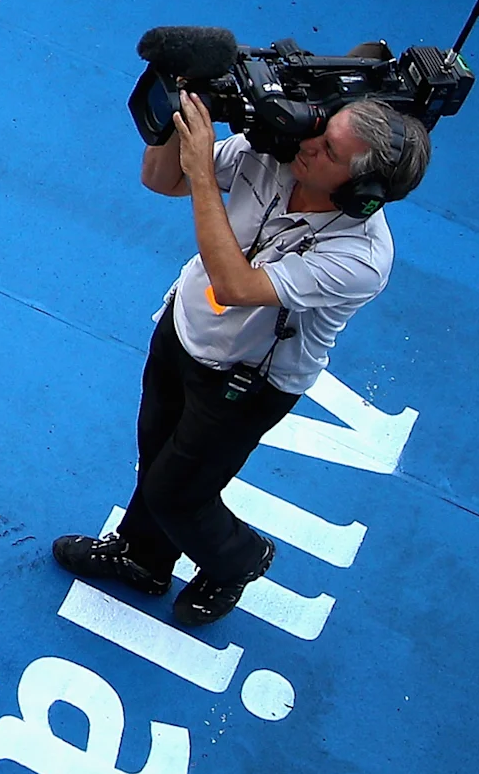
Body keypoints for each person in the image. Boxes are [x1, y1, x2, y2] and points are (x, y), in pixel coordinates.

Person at [58, 86, 427, 626]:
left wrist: (202, 172)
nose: (308, 145)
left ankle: (239, 560)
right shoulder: (273, 153)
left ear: (361, 192)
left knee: (178, 494)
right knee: (154, 457)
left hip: (247, 384)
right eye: (322, 130)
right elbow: (162, 179)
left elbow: (235, 285)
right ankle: (143, 558)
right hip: (184, 329)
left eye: (329, 151)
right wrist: (175, 114)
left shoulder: (361, 258)